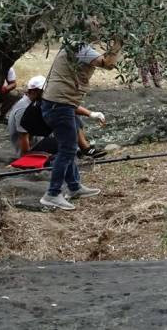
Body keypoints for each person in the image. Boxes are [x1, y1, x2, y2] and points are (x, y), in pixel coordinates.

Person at [39, 34, 122, 210]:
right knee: (68, 149)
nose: (99, 28)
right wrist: (119, 42)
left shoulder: (75, 45)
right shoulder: (80, 47)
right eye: (95, 24)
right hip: (59, 105)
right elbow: (108, 64)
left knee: (68, 148)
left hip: (60, 104)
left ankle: (74, 187)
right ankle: (52, 194)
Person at [8, 76, 106, 159]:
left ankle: (85, 148)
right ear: (34, 91)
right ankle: (79, 149)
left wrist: (91, 114)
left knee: (69, 115)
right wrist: (26, 157)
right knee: (66, 142)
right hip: (31, 147)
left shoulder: (39, 100)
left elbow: (64, 105)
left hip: (42, 136)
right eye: (44, 91)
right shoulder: (23, 109)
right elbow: (23, 137)